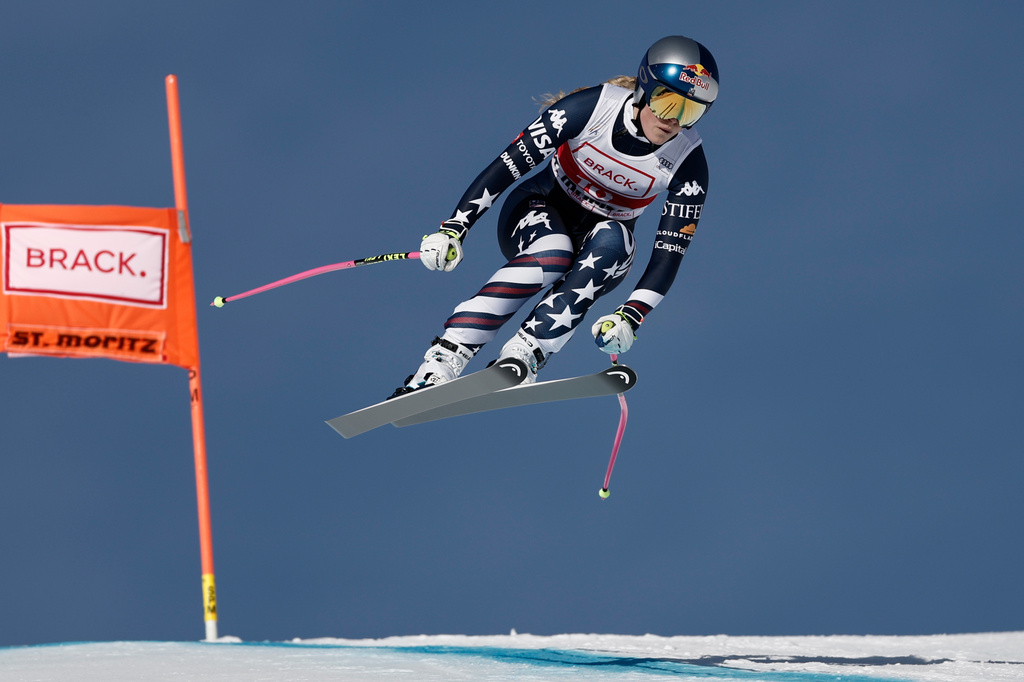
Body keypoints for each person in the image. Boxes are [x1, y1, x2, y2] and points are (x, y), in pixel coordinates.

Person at [394, 35, 719, 396]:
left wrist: (631, 315)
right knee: (554, 250)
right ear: (645, 88)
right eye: (667, 101)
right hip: (536, 208)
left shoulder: (688, 161)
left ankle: (527, 352)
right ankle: (444, 359)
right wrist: (456, 227)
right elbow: (506, 167)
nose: (673, 120)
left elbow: (669, 254)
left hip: (603, 249)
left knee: (615, 241)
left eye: (690, 111)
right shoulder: (591, 108)